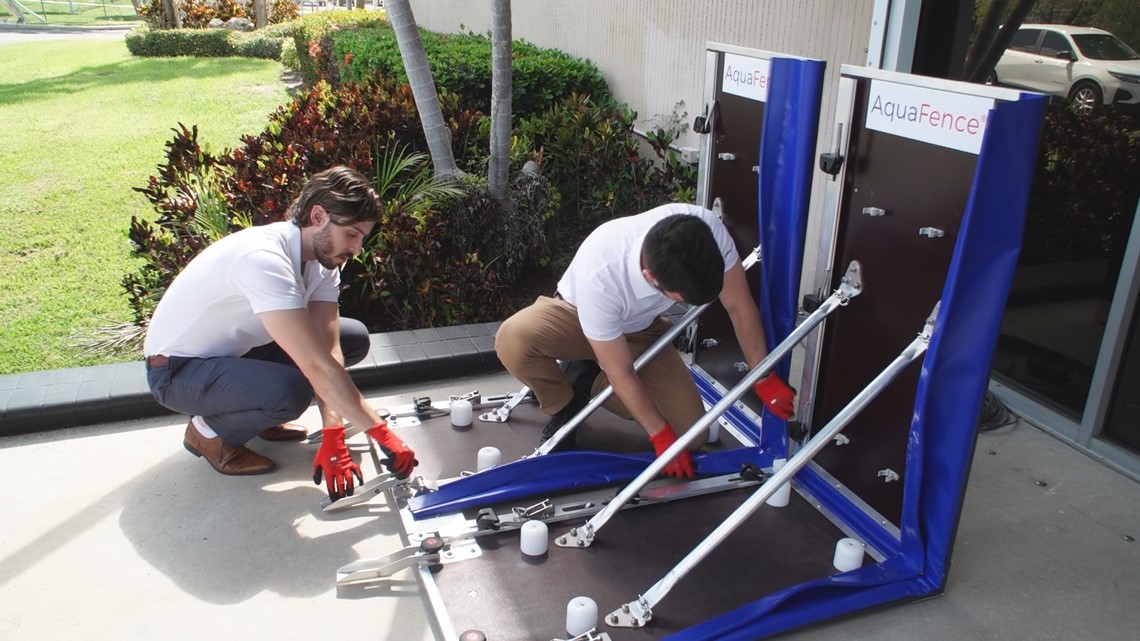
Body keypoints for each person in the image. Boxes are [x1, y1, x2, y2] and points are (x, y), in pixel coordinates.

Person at [143, 166, 416, 502]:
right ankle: (208, 433)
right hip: (177, 371)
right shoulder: (264, 260)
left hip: (237, 353)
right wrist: (382, 433)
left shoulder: (321, 260)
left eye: (362, 237)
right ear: (318, 216)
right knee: (289, 393)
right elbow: (316, 366)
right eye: (352, 234)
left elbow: (328, 350)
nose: (357, 248)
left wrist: (334, 433)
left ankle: (256, 414)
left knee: (351, 337)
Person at [495, 203, 795, 479]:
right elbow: (621, 372)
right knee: (514, 339)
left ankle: (587, 377)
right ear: (650, 277)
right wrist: (659, 435)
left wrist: (762, 375)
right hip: (574, 318)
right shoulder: (601, 271)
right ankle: (565, 402)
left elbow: (739, 307)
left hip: (641, 331)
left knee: (693, 437)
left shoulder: (704, 230)